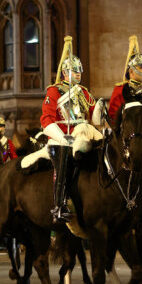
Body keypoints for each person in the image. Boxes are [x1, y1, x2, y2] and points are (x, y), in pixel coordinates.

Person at [41, 36, 103, 223]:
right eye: (75, 71)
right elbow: (46, 120)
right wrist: (62, 138)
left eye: (79, 71)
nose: (78, 74)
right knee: (63, 160)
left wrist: (100, 107)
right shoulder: (54, 91)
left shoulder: (83, 92)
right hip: (62, 137)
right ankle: (59, 205)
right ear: (65, 72)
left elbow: (94, 118)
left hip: (83, 133)